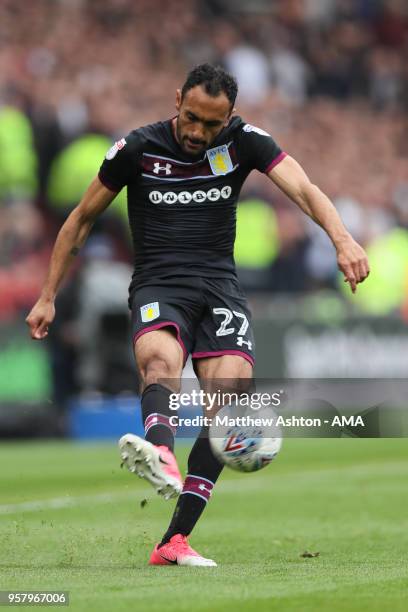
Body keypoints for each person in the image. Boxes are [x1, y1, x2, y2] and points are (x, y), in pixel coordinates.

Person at [26, 63, 370, 567]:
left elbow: (304, 189)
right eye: (190, 118)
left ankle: (173, 542)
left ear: (229, 117)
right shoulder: (138, 149)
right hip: (160, 282)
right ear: (177, 102)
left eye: (211, 124)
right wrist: (47, 295)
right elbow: (79, 221)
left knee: (227, 408)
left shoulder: (247, 142)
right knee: (159, 361)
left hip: (220, 288)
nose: (196, 132)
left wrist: (343, 239)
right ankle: (160, 450)